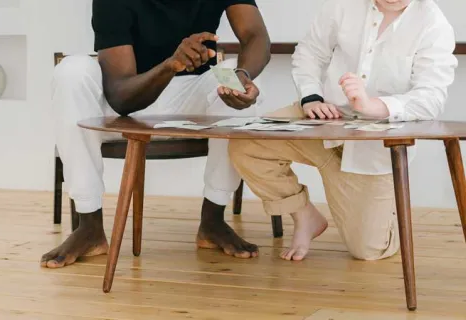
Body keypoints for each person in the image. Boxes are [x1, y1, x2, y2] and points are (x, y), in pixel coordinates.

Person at [41, 0, 271, 268]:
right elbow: (120, 97)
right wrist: (170, 65)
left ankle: (213, 221)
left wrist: (242, 76)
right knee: (71, 72)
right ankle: (89, 225)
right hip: (127, 94)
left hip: (189, 93)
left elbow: (256, 35)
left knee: (232, 75)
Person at [229, 0, 458, 261]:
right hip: (324, 124)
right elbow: (309, 53)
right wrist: (311, 97)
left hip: (372, 145)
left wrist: (375, 105)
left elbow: (431, 97)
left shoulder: (433, 23)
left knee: (370, 250)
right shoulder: (342, 4)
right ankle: (304, 216)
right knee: (246, 143)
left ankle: (384, 211)